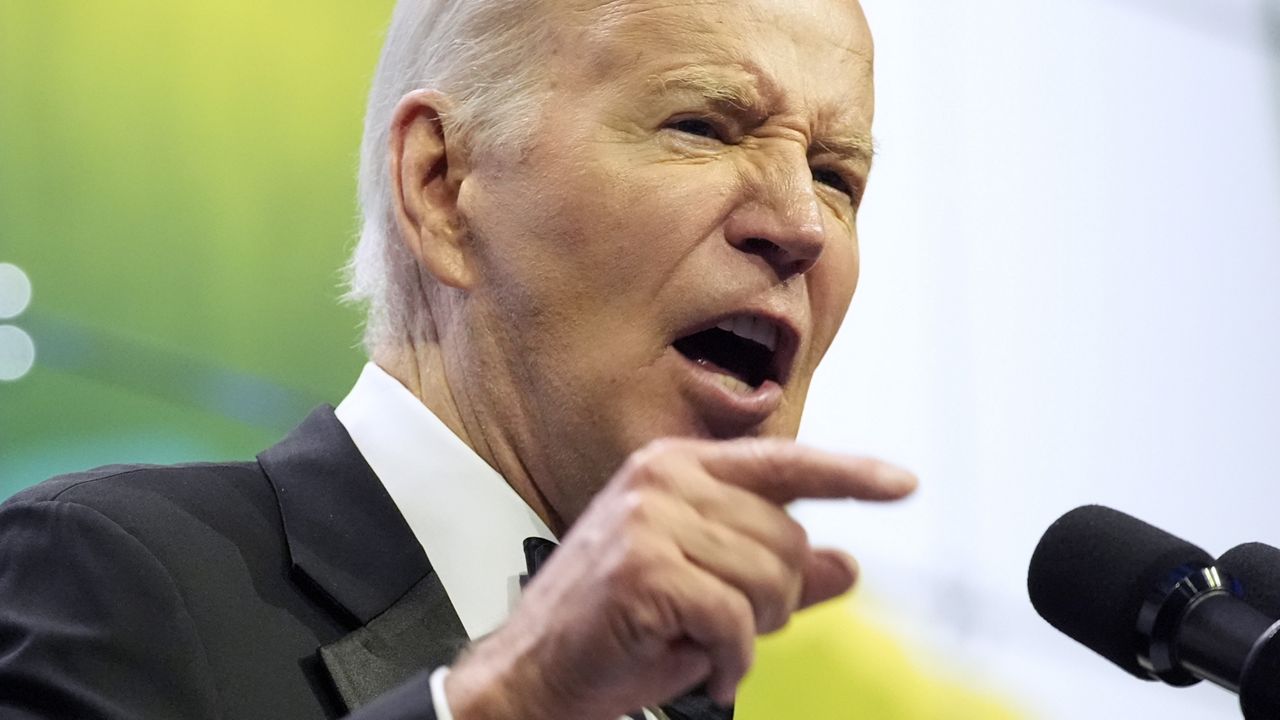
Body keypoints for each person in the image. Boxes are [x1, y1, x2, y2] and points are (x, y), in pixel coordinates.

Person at [0, 0, 916, 718]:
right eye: (703, 127)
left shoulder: (689, 687)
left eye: (837, 176)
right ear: (440, 185)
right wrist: (507, 703)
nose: (800, 224)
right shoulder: (110, 572)